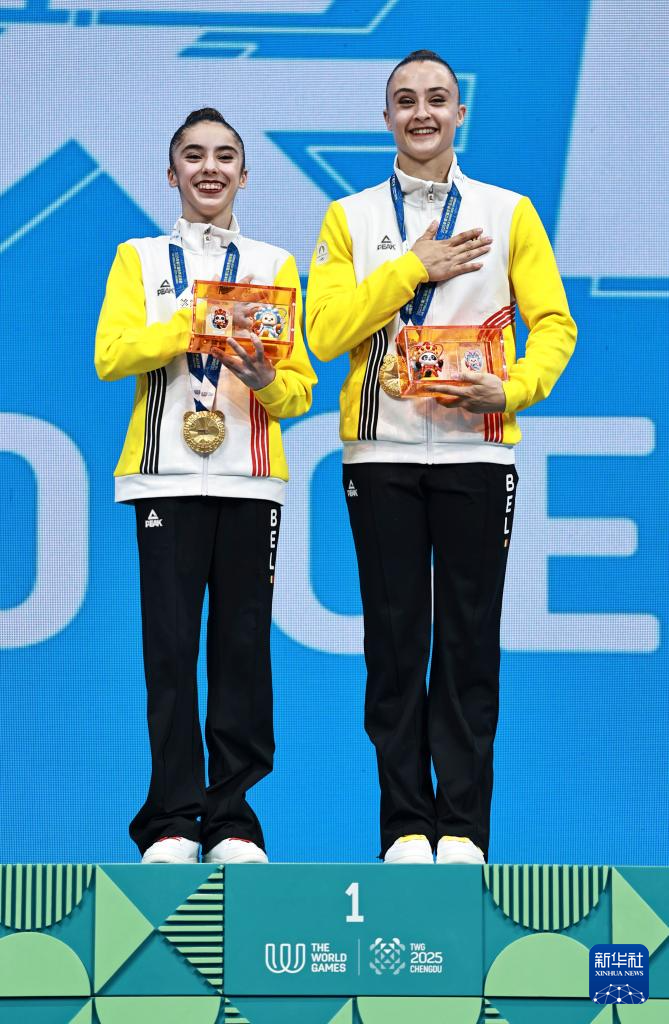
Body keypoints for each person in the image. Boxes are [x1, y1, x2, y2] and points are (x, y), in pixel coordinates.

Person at [306, 51, 576, 865]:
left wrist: (512, 388)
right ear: (385, 117)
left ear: (460, 112)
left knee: (467, 642)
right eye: (404, 100)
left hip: (476, 454)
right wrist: (408, 270)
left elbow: (554, 324)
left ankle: (460, 828)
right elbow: (324, 333)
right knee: (394, 648)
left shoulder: (509, 211)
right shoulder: (348, 218)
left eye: (436, 98)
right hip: (379, 453)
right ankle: (402, 827)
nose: (420, 112)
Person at [95, 108, 316, 864]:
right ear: (172, 174)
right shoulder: (139, 259)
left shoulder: (273, 266)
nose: (209, 167)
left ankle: (232, 821)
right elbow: (110, 354)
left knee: (242, 652)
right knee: (170, 651)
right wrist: (189, 326)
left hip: (250, 480)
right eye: (193, 155)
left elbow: (298, 391)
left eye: (224, 156)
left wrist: (263, 376)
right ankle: (170, 820)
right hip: (162, 476)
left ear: (244, 176)